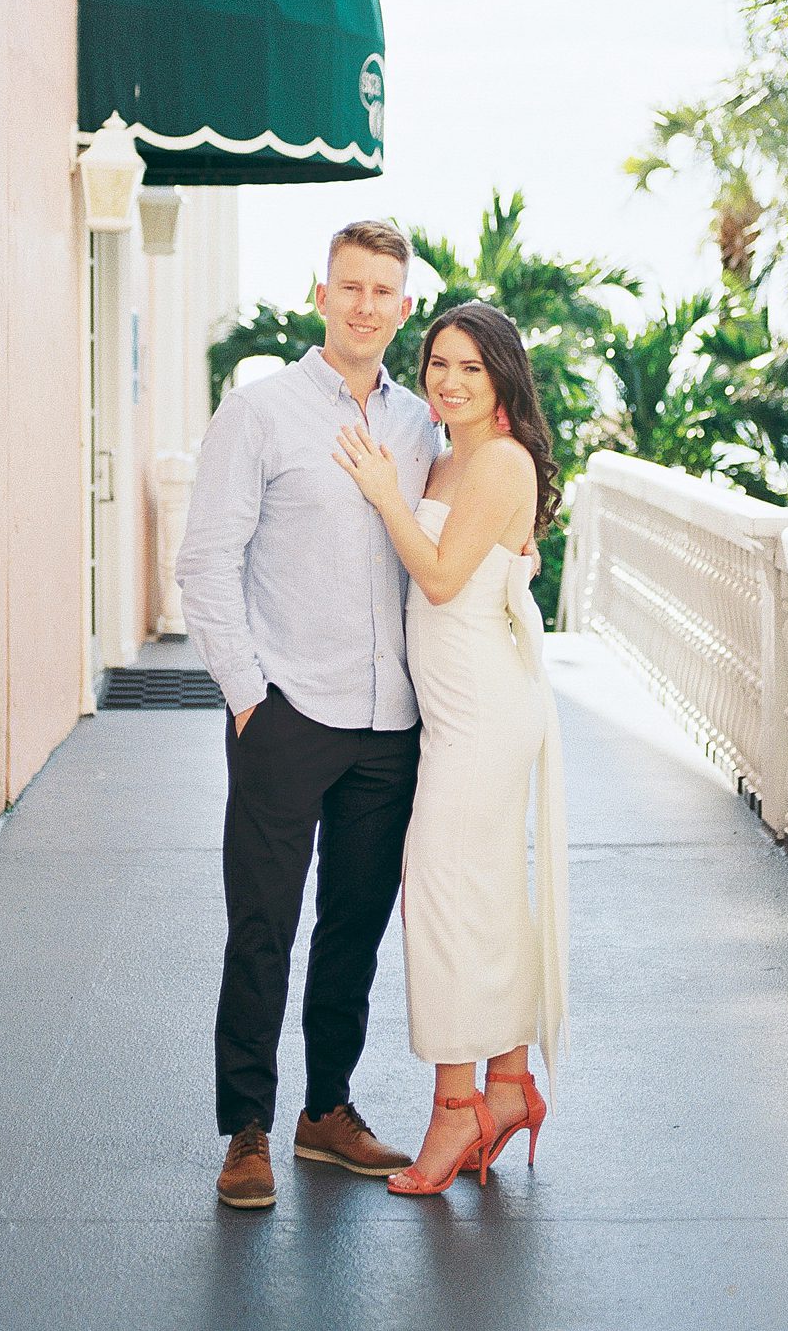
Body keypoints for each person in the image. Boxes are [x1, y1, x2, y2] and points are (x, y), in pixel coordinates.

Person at [176, 218, 441, 1211]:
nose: (366, 304)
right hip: (289, 712)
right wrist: (250, 698)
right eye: (351, 286)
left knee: (354, 929)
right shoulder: (261, 412)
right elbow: (207, 562)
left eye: (385, 290)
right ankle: (246, 1126)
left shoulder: (422, 427)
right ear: (320, 295)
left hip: (389, 723)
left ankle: (327, 1110)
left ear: (403, 306)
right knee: (263, 925)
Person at [333, 300, 569, 1196]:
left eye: (471, 366)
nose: (449, 380)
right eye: (438, 363)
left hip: (481, 710)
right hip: (454, 709)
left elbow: (436, 582)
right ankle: (506, 1086)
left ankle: (454, 1108)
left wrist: (385, 494)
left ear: (501, 375)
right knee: (482, 895)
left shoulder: (500, 463)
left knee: (440, 894)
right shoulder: (445, 456)